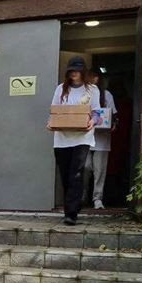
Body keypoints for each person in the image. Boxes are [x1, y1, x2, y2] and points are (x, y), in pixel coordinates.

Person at [48, 56, 97, 225]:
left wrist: (93, 121)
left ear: (83, 71)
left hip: (82, 138)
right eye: (71, 70)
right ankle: (72, 206)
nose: (74, 73)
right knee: (65, 175)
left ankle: (71, 213)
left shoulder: (92, 90)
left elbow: (97, 111)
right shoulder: (61, 89)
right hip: (61, 139)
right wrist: (50, 123)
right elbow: (54, 110)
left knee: (76, 174)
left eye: (77, 70)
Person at [87, 68, 118, 209]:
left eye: (95, 76)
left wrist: (113, 123)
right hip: (84, 137)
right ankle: (81, 196)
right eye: (90, 76)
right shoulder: (83, 94)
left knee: (99, 170)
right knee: (85, 166)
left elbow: (113, 114)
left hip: (102, 138)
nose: (93, 79)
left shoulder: (106, 94)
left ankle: (97, 198)